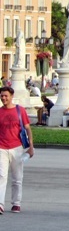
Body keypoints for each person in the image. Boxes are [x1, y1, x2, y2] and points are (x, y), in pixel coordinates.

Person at [0, 86, 34, 214]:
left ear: (11, 96)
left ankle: (16, 203)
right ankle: (0, 204)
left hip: (17, 147)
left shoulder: (20, 111)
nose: (3, 98)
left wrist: (31, 147)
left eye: (6, 96)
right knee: (2, 176)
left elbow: (28, 129)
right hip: (1, 148)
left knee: (17, 177)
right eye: (2, 96)